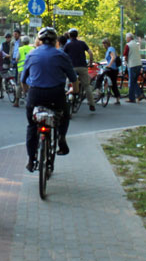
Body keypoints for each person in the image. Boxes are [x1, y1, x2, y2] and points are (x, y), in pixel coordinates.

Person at [20, 27, 78, 171]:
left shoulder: (32, 54)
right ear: (55, 41)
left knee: (32, 126)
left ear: (39, 41)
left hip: (35, 94)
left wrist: (26, 92)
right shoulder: (61, 55)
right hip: (56, 94)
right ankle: (61, 138)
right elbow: (73, 78)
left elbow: (23, 79)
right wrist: (75, 91)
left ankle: (31, 159)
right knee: (64, 115)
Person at [63, 28, 96, 111]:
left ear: (69, 36)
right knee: (87, 85)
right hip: (82, 67)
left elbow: (63, 55)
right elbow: (90, 53)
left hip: (72, 68)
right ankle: (91, 104)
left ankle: (66, 98)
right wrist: (91, 63)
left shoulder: (68, 45)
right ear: (77, 35)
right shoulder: (82, 43)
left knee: (68, 83)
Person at [94, 38, 122, 105]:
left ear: (107, 44)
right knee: (114, 84)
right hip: (114, 69)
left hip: (111, 69)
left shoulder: (110, 49)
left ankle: (98, 91)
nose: (103, 45)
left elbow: (113, 57)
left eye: (104, 43)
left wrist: (109, 65)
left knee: (99, 77)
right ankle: (117, 99)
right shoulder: (109, 50)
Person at [14, 35, 34, 108]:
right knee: (31, 84)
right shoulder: (32, 48)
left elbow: (17, 59)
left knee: (19, 84)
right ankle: (30, 100)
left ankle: (17, 101)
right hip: (31, 69)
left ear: (22, 42)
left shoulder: (20, 49)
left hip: (21, 69)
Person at [124, 33, 145, 103]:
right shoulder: (136, 44)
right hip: (138, 64)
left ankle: (132, 98)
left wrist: (125, 62)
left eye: (126, 38)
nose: (126, 39)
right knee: (134, 81)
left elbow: (126, 55)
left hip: (132, 65)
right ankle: (139, 95)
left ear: (129, 38)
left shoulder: (128, 45)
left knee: (131, 82)